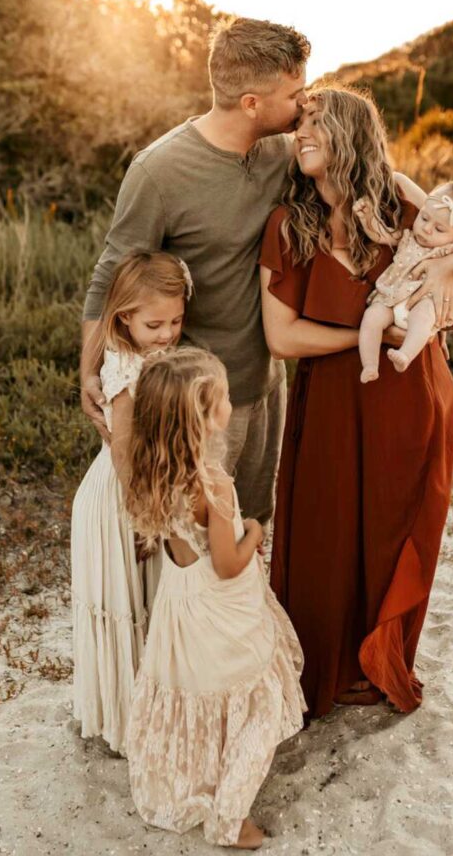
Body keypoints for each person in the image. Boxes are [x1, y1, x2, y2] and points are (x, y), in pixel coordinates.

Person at [259, 86, 453, 718]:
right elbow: (280, 338)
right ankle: (324, 671)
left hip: (414, 391)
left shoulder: (399, 196)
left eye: (318, 122)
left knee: (398, 528)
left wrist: (444, 283)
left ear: (353, 132)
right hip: (335, 398)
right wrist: (367, 333)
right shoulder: (288, 223)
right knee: (326, 537)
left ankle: (382, 660)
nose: (302, 132)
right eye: (299, 122)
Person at [80, 16, 311, 527]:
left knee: (253, 522)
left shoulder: (285, 152)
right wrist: (88, 371)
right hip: (196, 400)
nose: (304, 103)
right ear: (251, 103)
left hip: (269, 382)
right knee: (195, 532)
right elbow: (111, 276)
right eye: (296, 93)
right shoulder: (158, 171)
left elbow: (356, 168)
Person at [124, 348, 305, 850]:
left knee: (198, 690)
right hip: (221, 604)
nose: (230, 402)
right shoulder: (213, 484)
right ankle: (230, 819)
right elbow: (227, 564)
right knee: (252, 700)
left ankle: (193, 780)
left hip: (182, 602)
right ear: (203, 418)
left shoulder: (152, 473)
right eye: (223, 396)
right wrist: (252, 531)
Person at [71, 251, 192, 755]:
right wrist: (141, 517)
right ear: (124, 318)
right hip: (122, 496)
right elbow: (122, 446)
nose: (167, 333)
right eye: (155, 324)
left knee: (153, 598)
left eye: (177, 321)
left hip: (151, 490)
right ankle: (129, 719)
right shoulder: (123, 362)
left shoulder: (157, 354)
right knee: (128, 601)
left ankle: (155, 705)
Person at [354, 181, 453, 380]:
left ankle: (405, 355)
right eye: (424, 218)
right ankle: (370, 365)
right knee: (372, 317)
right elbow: (383, 235)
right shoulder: (408, 236)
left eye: (439, 229)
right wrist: (368, 220)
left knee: (423, 317)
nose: (426, 229)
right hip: (391, 297)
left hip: (424, 300)